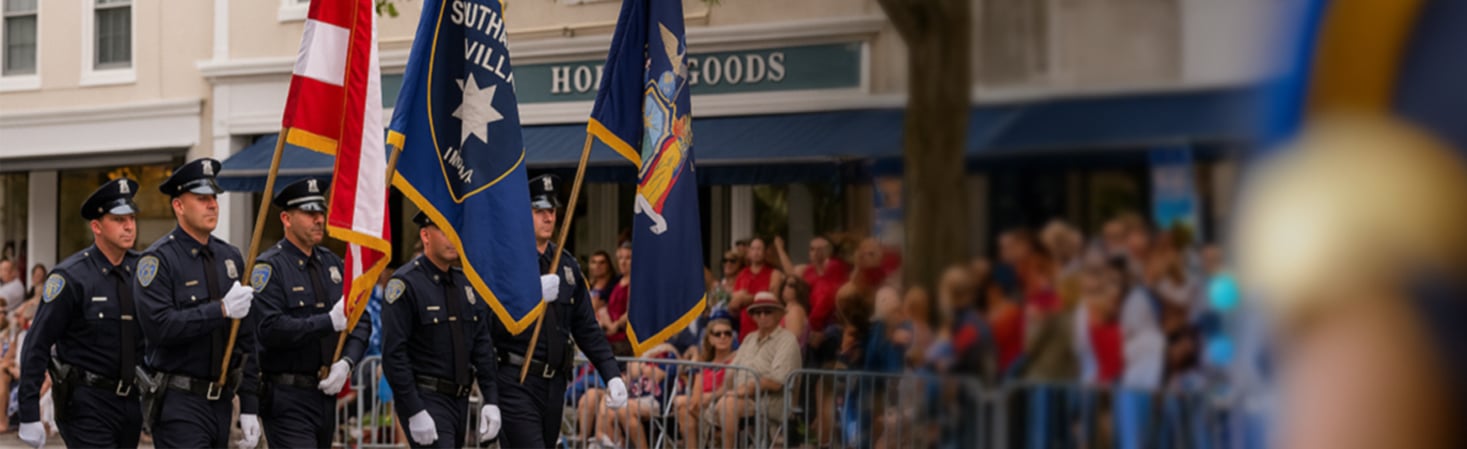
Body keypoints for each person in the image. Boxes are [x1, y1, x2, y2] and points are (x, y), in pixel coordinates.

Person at [133, 158, 263, 448]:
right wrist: (220, 310)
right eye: (202, 199)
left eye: (213, 198)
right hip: (179, 401)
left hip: (221, 401)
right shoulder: (158, 260)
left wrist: (251, 404)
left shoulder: (229, 257)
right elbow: (159, 327)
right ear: (179, 206)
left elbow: (245, 337)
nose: (212, 205)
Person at [494, 174, 625, 448]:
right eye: (539, 211)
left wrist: (611, 373)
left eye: (552, 211)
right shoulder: (505, 262)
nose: (548, 218)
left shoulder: (566, 265)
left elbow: (587, 328)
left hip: (553, 384)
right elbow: (489, 321)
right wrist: (529, 295)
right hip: (516, 379)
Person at [14, 178, 145, 448]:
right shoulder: (71, 277)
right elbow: (37, 343)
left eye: (132, 218)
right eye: (119, 219)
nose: (129, 226)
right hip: (86, 402)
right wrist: (29, 413)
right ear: (96, 226)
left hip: (132, 401)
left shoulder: (142, 271)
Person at [251, 178, 372, 448]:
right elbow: (269, 329)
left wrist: (347, 363)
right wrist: (326, 322)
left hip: (326, 394)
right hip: (286, 396)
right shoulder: (270, 268)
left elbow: (361, 320)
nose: (319, 219)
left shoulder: (333, 264)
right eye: (309, 213)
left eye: (321, 212)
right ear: (286, 218)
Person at [382, 211, 504, 448]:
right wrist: (414, 409)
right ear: (425, 235)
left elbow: (481, 345)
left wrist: (491, 399)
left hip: (460, 399)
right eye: (444, 230)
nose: (453, 237)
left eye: (456, 229)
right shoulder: (406, 284)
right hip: (427, 397)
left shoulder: (465, 284)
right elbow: (394, 354)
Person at [710, 294, 801, 448]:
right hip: (739, 396)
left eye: (768, 311)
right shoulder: (749, 339)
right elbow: (731, 373)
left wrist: (744, 390)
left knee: (727, 404)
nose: (762, 316)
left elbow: (776, 382)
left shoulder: (787, 340)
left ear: (779, 314)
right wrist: (713, 395)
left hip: (770, 401)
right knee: (688, 405)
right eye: (758, 312)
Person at [673, 317, 736, 449]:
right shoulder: (705, 366)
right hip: (701, 407)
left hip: (723, 406)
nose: (723, 337)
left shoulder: (737, 360)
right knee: (684, 410)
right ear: (710, 339)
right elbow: (696, 395)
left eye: (727, 333)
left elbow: (732, 386)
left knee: (680, 403)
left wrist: (711, 396)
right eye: (718, 334)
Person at [774, 235, 849, 335]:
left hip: (831, 325)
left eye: (821, 249)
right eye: (812, 249)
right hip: (811, 324)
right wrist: (780, 249)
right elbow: (791, 275)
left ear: (829, 251)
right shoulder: (806, 270)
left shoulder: (838, 267)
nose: (816, 252)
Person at [728, 237, 785, 336]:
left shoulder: (774, 273)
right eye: (753, 249)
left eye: (759, 249)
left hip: (766, 328)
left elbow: (773, 299)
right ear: (749, 252)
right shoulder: (742, 274)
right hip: (745, 329)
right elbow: (734, 303)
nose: (756, 252)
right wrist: (733, 306)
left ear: (765, 252)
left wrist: (746, 299)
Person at [604, 244, 633, 356]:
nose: (623, 262)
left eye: (628, 258)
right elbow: (607, 306)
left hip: (623, 337)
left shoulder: (635, 283)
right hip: (609, 333)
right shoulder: (616, 281)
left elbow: (633, 309)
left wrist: (616, 325)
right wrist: (608, 324)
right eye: (620, 258)